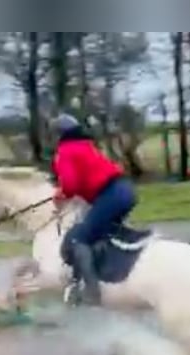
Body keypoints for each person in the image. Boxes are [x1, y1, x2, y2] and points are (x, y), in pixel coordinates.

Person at [50, 113, 138, 305]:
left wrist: (60, 194)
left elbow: (71, 184)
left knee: (78, 237)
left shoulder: (65, 151)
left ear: (58, 135)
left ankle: (92, 292)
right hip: (125, 191)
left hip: (110, 196)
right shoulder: (86, 145)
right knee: (102, 232)